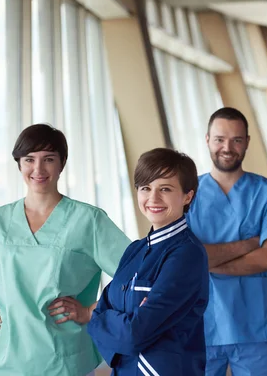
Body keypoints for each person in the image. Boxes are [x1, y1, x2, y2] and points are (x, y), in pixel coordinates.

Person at [0, 124, 131, 376]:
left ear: (62, 163)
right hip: (7, 362)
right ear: (19, 164)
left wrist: (91, 311)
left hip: (66, 362)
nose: (38, 169)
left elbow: (138, 275)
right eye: (29, 159)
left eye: (49, 159)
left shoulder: (88, 220)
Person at [186, 107, 267, 375]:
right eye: (220, 139)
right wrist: (249, 244)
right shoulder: (186, 195)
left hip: (257, 323)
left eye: (236, 140)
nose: (228, 147)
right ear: (207, 140)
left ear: (247, 142)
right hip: (200, 323)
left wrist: (204, 262)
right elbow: (184, 258)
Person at [87, 148, 209, 375]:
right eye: (146, 188)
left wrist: (111, 320)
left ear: (187, 196)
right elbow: (96, 318)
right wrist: (114, 320)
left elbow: (134, 335)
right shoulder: (135, 250)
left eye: (165, 189)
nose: (153, 198)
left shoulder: (187, 254)